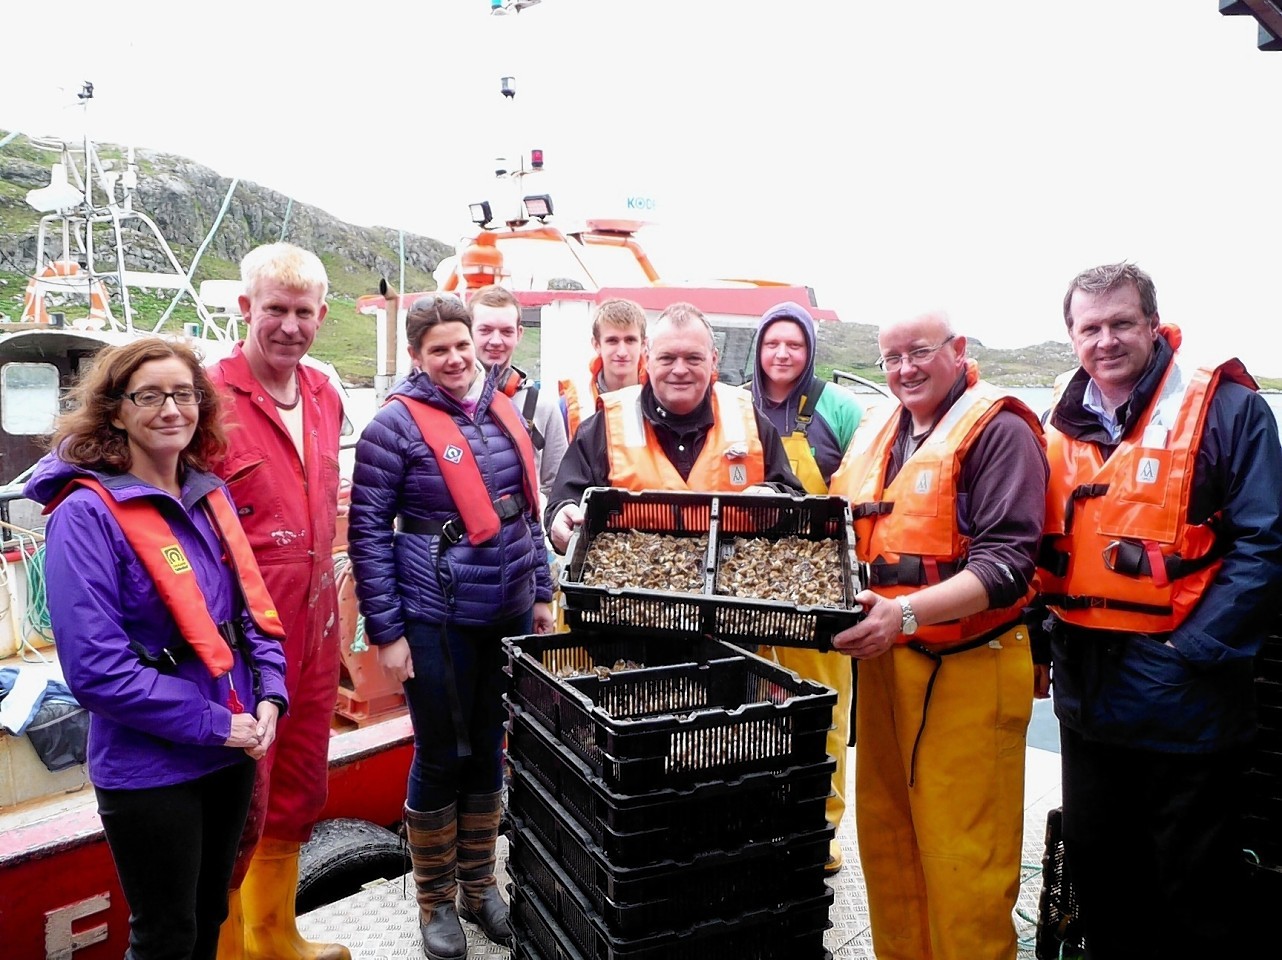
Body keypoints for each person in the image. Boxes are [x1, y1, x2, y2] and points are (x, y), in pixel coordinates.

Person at [1034, 262, 1282, 958]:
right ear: (1072, 337)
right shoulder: (1060, 421)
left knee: (1193, 889)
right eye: (1090, 328)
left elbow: (1267, 546)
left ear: (1152, 323)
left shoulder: (1231, 412)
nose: (1106, 340)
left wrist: (1193, 653)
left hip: (1190, 701)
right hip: (1089, 697)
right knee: (1101, 872)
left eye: (1121, 323)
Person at [25, 338, 289, 960]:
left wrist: (272, 693)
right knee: (165, 934)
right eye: (149, 395)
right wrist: (216, 724)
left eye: (184, 394)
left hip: (233, 745)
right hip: (153, 765)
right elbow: (96, 670)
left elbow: (252, 613)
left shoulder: (207, 495)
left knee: (209, 912)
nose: (171, 409)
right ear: (115, 411)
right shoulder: (85, 516)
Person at [828, 310, 1047, 960]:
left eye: (918, 352)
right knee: (891, 854)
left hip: (970, 673)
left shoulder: (999, 430)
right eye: (891, 357)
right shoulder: (878, 429)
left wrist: (907, 614)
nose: (904, 369)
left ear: (956, 349)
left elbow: (1008, 565)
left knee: (966, 870)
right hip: (886, 672)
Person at [347, 294, 555, 960]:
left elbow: (528, 508)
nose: (456, 358)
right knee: (442, 753)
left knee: (492, 745)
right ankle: (435, 901)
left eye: (462, 345)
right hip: (433, 615)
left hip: (508, 609)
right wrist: (387, 632)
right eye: (439, 349)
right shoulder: (392, 428)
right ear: (416, 356)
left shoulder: (503, 408)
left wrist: (543, 589)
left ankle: (479, 888)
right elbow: (368, 536)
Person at [208, 243, 348, 960]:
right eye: (274, 311)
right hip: (240, 633)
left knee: (298, 783)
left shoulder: (326, 394)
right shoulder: (203, 398)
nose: (289, 327)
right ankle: (231, 947)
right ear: (245, 309)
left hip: (318, 620)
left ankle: (276, 933)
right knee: (240, 793)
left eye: (303, 313)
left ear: (322, 315)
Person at [746, 300, 863, 875]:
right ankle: (760, 815)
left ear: (810, 349)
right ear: (758, 348)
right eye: (772, 343)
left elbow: (864, 481)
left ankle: (822, 825)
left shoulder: (839, 406)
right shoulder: (734, 405)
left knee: (825, 708)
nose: (782, 353)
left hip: (820, 579)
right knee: (748, 706)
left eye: (794, 343)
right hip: (748, 578)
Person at [546, 301, 802, 551]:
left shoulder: (748, 418)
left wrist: (772, 496)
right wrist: (560, 518)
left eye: (693, 358)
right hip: (632, 589)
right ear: (648, 358)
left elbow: (795, 500)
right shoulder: (607, 424)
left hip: (733, 583)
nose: (680, 370)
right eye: (667, 358)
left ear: (714, 360)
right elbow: (565, 501)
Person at [468, 284, 569, 506]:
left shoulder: (542, 407)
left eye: (506, 331)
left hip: (521, 536)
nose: (496, 341)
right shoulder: (448, 402)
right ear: (468, 331)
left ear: (519, 334)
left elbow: (558, 489)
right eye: (485, 330)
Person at [559, 297, 648, 439]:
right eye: (612, 341)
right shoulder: (571, 405)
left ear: (643, 344)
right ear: (596, 345)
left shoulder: (662, 397)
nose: (622, 352)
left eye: (630, 340)